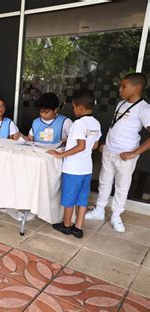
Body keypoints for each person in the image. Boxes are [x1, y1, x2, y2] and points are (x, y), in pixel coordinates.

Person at [85, 73, 150, 232]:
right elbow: (115, 126)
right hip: (109, 151)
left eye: (123, 86)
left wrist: (133, 153)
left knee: (122, 186)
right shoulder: (121, 104)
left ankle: (116, 215)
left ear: (136, 88)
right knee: (104, 181)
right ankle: (99, 210)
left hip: (126, 155)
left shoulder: (144, 109)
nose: (120, 89)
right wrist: (105, 144)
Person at [47, 89, 101, 238]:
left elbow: (81, 145)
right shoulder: (96, 123)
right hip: (86, 169)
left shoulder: (79, 123)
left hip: (73, 169)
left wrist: (60, 154)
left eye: (74, 107)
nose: (74, 110)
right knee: (82, 199)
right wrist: (70, 142)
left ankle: (66, 225)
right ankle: (78, 228)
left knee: (69, 199)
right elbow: (94, 145)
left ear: (80, 107)